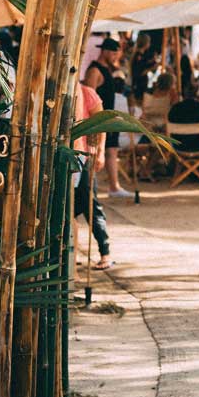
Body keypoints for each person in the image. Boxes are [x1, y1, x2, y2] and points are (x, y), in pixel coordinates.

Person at [73, 75, 111, 270]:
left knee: (90, 204)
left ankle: (105, 251)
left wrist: (101, 151)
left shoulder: (87, 93)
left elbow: (102, 125)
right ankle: (72, 252)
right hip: (67, 156)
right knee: (70, 209)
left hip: (84, 157)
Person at [91, 37, 134, 198]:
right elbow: (90, 94)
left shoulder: (107, 69)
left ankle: (114, 186)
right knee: (101, 152)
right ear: (106, 52)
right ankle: (97, 187)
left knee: (112, 150)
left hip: (109, 117)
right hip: (100, 118)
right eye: (114, 54)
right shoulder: (95, 70)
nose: (116, 58)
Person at [168, 83, 199, 180]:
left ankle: (176, 176)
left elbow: (169, 125)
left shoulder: (175, 108)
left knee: (183, 143)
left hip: (179, 146)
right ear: (197, 94)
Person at [130, 31, 158, 104]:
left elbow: (144, 64)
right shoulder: (138, 56)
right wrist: (151, 68)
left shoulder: (141, 55)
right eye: (149, 42)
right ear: (145, 43)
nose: (149, 44)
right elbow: (139, 72)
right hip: (139, 84)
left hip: (141, 83)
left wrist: (152, 61)